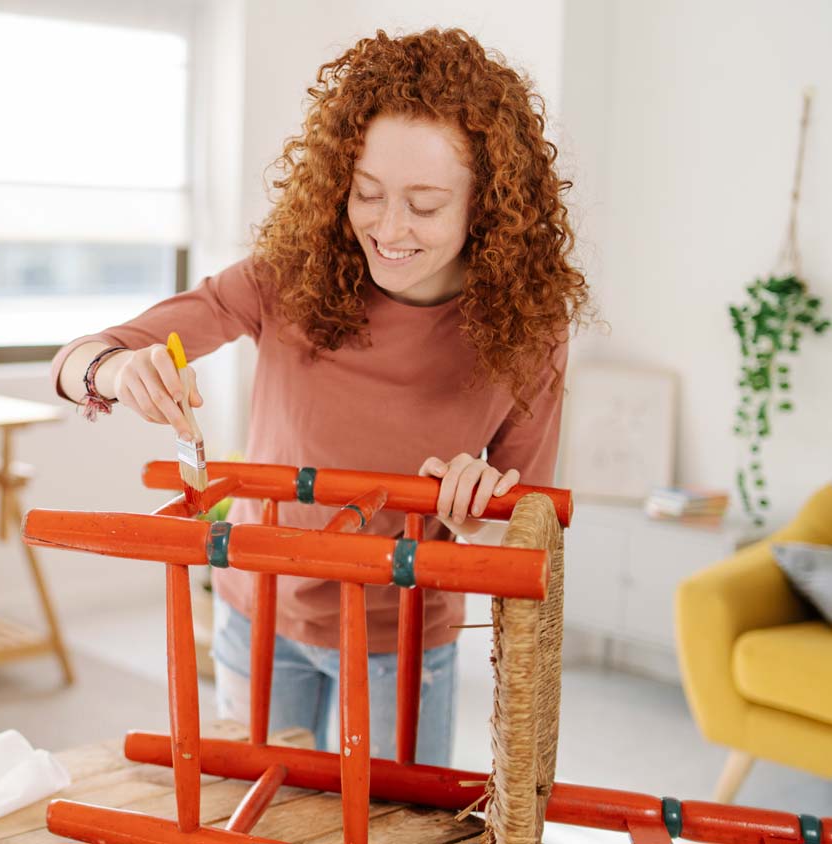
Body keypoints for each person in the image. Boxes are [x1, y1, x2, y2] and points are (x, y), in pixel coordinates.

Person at [47, 28, 592, 765]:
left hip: (403, 639)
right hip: (259, 616)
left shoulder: (529, 329)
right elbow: (86, 356)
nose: (387, 229)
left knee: (401, 822)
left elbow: (522, 534)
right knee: (264, 813)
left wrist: (475, 517)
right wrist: (113, 372)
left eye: (425, 205)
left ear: (487, 206)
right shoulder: (289, 275)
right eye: (366, 194)